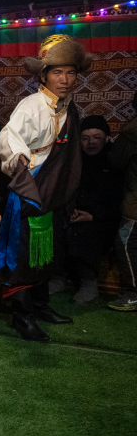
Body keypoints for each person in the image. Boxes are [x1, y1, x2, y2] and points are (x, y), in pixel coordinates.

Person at [0, 34, 89, 340]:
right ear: (44, 75)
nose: (65, 79)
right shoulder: (32, 105)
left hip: (53, 189)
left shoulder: (69, 108)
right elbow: (9, 137)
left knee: (45, 249)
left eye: (70, 73)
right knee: (24, 251)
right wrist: (20, 160)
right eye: (57, 72)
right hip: (30, 187)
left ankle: (40, 304)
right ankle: (22, 315)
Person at [64, 115, 123, 303]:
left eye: (97, 137)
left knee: (85, 231)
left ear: (106, 138)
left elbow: (118, 200)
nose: (91, 142)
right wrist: (70, 208)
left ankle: (89, 284)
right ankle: (57, 277)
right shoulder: (74, 160)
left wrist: (94, 215)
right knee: (52, 225)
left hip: (105, 219)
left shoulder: (114, 162)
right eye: (85, 138)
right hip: (75, 213)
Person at [106, 96, 137, 311]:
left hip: (135, 203)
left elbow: (116, 161)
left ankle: (133, 294)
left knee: (126, 245)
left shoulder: (132, 132)